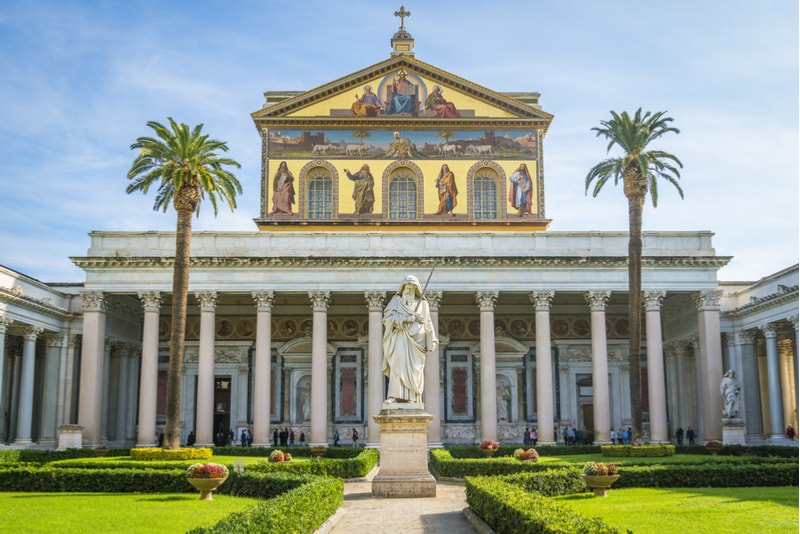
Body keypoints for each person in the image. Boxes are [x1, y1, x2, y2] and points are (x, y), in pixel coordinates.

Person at [382, 275, 439, 403]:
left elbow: (428, 322)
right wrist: (406, 319)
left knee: (415, 370)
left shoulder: (423, 304)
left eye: (412, 288)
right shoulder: (396, 301)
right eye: (407, 288)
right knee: (398, 365)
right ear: (402, 288)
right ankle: (394, 396)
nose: (409, 291)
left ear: (416, 290)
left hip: (417, 340)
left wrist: (433, 339)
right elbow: (387, 319)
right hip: (401, 338)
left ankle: (412, 398)